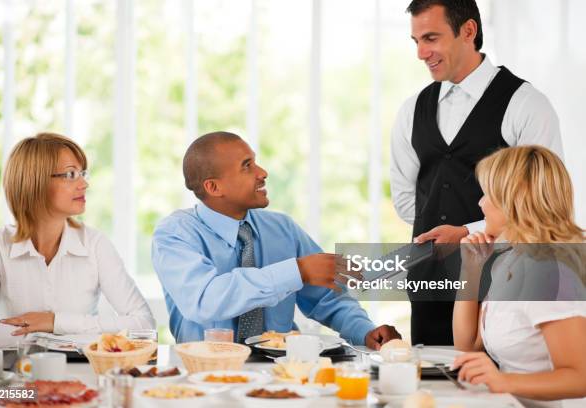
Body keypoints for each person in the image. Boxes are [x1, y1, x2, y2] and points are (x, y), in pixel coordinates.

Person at [390, 0, 563, 345]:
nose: (422, 53)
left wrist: (469, 233)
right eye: (416, 41)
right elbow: (407, 200)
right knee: (430, 392)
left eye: (431, 38)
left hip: (503, 284)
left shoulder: (526, 104)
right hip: (429, 286)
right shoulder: (412, 109)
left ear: (468, 31)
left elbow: (545, 205)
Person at [152, 131, 401, 348]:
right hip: (205, 379)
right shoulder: (175, 234)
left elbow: (326, 298)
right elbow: (205, 299)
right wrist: (297, 270)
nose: (262, 173)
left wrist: (364, 330)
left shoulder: (283, 229)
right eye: (247, 166)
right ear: (214, 187)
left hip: (283, 375)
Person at [0, 133, 155, 348]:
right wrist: (48, 339)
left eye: (82, 173)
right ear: (35, 182)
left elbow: (145, 326)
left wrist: (55, 322)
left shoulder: (95, 243)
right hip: (20, 379)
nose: (84, 184)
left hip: (87, 374)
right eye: (70, 174)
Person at [453, 146, 586, 407]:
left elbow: (580, 378)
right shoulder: (509, 261)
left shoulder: (548, 271)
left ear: (514, 199)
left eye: (488, 194)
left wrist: (503, 381)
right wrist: (470, 269)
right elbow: (467, 346)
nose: (480, 202)